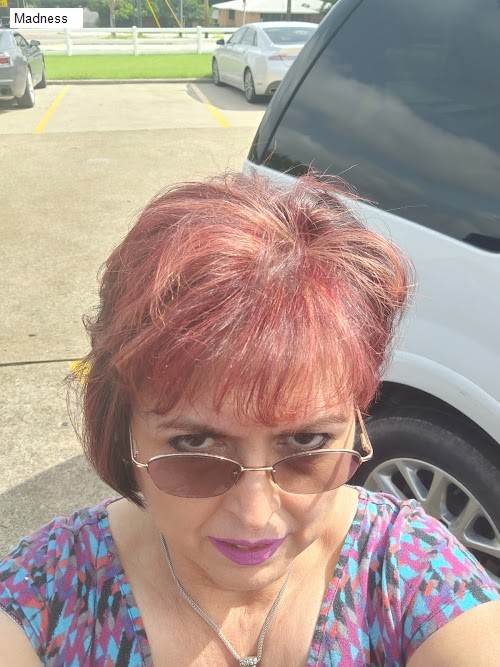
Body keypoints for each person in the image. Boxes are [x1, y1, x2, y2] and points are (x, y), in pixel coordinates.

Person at [0, 172, 498, 667]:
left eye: (307, 441)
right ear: (122, 430)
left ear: (358, 424)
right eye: (195, 444)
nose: (255, 516)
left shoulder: (409, 570)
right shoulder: (46, 592)